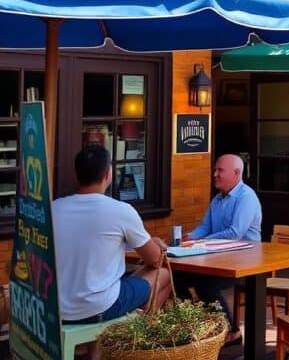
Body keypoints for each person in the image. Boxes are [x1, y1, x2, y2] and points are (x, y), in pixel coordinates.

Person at [54, 147, 172, 359]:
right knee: (162, 275)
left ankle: (96, 350)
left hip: (57, 308)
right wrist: (154, 242)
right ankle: (135, 341)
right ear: (108, 174)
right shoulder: (120, 211)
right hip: (98, 307)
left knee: (128, 277)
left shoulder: (54, 208)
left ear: (76, 174)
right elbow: (155, 259)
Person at [176, 154, 262, 344]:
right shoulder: (217, 199)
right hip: (217, 258)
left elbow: (234, 233)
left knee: (207, 285)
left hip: (245, 262)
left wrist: (200, 242)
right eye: (215, 170)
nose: (214, 174)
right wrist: (190, 237)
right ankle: (196, 324)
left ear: (237, 173)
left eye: (220, 171)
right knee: (176, 278)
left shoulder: (246, 197)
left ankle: (231, 332)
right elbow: (205, 226)